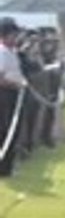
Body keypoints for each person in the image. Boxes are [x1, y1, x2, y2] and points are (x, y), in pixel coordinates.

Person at [0, 18, 28, 178]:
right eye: (13, 34)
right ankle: (4, 167)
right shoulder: (2, 52)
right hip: (5, 96)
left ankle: (8, 166)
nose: (16, 37)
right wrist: (15, 85)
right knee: (6, 130)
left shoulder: (12, 52)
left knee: (14, 129)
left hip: (15, 94)